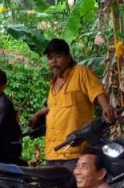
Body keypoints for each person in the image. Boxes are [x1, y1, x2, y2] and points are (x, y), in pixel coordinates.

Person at [28, 38, 116, 169]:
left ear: (68, 57)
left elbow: (97, 92)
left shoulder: (81, 72)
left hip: (75, 153)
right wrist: (37, 114)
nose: (54, 61)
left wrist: (106, 106)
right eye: (50, 57)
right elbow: (53, 107)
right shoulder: (53, 84)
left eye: (58, 56)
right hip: (52, 152)